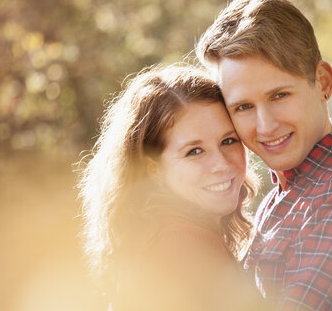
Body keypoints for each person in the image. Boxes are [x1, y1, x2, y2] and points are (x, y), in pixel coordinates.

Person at [196, 0, 332, 310]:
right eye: (243, 106)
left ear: (323, 83)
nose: (265, 126)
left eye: (279, 95)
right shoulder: (278, 200)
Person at [78, 64, 268, 310]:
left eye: (228, 140)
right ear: (154, 169)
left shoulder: (156, 234)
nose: (221, 164)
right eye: (194, 151)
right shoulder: (186, 245)